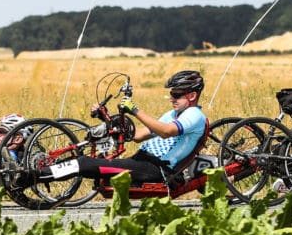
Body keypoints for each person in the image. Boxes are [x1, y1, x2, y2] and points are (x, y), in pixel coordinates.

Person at [29, 70, 208, 186]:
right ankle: (38, 173)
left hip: (155, 168)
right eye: (171, 94)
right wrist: (107, 118)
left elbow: (166, 132)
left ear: (192, 95)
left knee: (84, 163)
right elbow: (138, 136)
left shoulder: (194, 115)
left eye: (176, 95)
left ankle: (32, 178)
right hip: (140, 160)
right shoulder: (172, 115)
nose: (171, 98)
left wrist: (135, 110)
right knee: (86, 161)